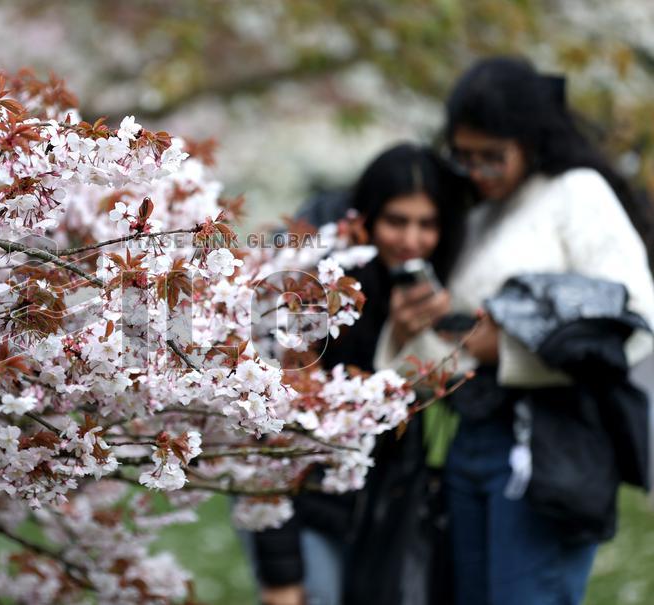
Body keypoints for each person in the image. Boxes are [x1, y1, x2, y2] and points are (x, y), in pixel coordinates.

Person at [376, 56, 654, 605]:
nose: (478, 172)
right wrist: (404, 339)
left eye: (493, 158)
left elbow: (636, 321)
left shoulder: (577, 193)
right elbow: (455, 352)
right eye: (466, 156)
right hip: (469, 441)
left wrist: (510, 350)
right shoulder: (479, 217)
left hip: (548, 444)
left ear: (530, 141)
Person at [251, 142, 465, 605]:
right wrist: (281, 575)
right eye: (396, 221)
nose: (411, 239)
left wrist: (416, 341)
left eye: (426, 224)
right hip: (299, 498)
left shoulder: (428, 288)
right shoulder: (312, 290)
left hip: (377, 507)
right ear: (365, 220)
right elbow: (272, 436)